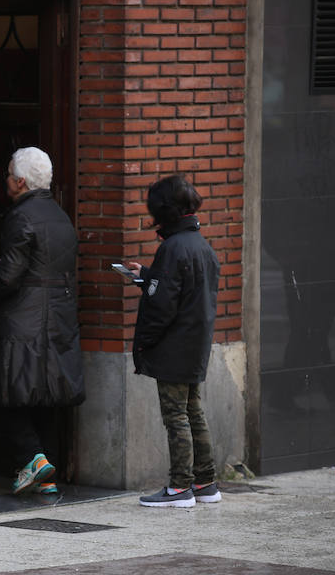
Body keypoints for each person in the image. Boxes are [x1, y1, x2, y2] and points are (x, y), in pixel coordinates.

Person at [0, 147, 84, 495]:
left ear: (20, 181)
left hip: (24, 322)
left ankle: (33, 458)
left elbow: (9, 278)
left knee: (8, 392)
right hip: (57, 319)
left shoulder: (21, 216)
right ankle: (46, 473)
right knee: (46, 397)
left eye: (8, 174)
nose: (6, 179)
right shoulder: (60, 216)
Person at [127, 175, 222, 508]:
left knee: (176, 416)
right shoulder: (201, 245)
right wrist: (149, 276)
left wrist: (144, 344)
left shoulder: (172, 248)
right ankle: (205, 482)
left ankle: (180, 487)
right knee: (193, 412)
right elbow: (183, 291)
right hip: (195, 344)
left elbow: (162, 306)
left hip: (173, 347)